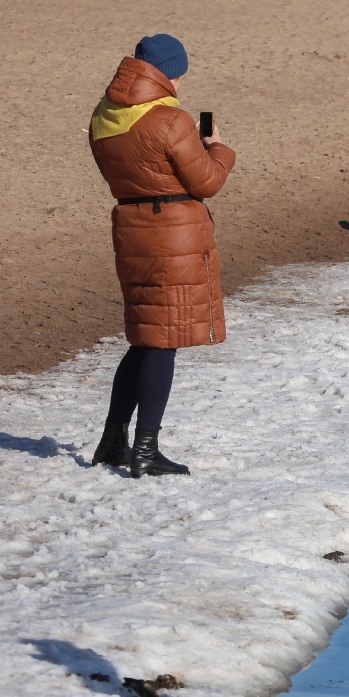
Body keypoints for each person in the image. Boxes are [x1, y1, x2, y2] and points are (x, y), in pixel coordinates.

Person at [86, 34, 235, 478]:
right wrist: (220, 149)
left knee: (146, 336)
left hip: (131, 230)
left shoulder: (103, 116)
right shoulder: (171, 120)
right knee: (164, 338)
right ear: (171, 71)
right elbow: (206, 182)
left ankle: (112, 441)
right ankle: (145, 450)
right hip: (171, 234)